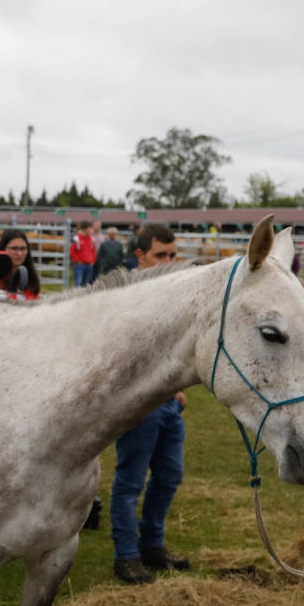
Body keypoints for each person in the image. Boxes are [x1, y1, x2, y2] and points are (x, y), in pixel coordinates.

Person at [111, 223, 187, 584]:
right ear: (140, 256)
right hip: (139, 404)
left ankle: (152, 545)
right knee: (130, 482)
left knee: (170, 475)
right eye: (161, 255)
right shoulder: (127, 295)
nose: (169, 262)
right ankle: (126, 555)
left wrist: (175, 387)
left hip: (167, 402)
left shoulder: (171, 292)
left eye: (173, 255)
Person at [0, 228, 41, 298]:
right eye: (14, 248)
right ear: (3, 248)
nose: (19, 253)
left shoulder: (30, 276)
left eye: (23, 248)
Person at [69, 220, 97, 287]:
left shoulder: (92, 239)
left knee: (86, 285)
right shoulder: (76, 238)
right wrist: (77, 261)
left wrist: (93, 260)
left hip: (89, 265)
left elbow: (93, 251)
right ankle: (76, 297)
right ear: (85, 229)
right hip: (80, 265)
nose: (91, 231)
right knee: (78, 282)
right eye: (90, 229)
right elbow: (72, 252)